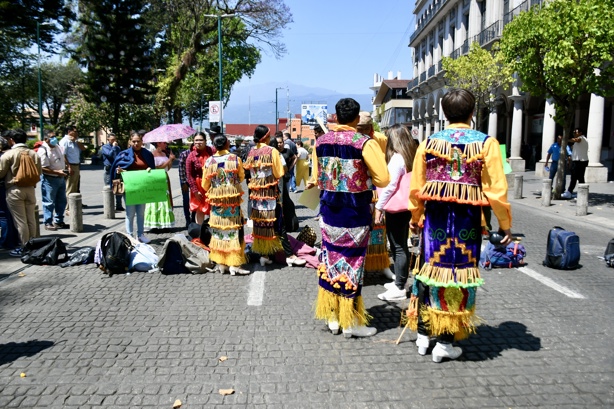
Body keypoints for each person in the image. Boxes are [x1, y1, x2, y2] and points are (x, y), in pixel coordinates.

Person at [408, 89, 512, 362]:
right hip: (467, 223)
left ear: (443, 113)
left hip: (435, 221)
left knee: (428, 271)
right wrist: (504, 224)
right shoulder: (486, 143)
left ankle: (422, 334)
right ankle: (444, 341)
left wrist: (416, 218)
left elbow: (417, 186)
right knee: (457, 275)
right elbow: (496, 189)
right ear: (472, 112)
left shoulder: (429, 142)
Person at [310, 98, 390, 338]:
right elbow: (383, 179)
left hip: (329, 213)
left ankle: (334, 317)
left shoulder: (321, 142)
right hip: (355, 214)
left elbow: (317, 177)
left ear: (336, 115)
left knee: (330, 260)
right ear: (357, 119)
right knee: (353, 264)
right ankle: (351, 321)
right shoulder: (364, 143)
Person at [243, 125, 306, 267]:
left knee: (262, 225)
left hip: (256, 197)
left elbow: (247, 172)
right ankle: (290, 255)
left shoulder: (251, 152)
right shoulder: (272, 151)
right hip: (271, 195)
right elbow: (279, 173)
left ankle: (265, 255)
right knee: (279, 225)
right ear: (266, 137)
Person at [373, 124, 417, 301]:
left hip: (396, 207)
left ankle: (399, 286)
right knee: (401, 245)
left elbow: (390, 185)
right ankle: (401, 280)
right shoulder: (410, 156)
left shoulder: (397, 158)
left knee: (398, 246)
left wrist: (379, 207)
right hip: (406, 205)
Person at [202, 134, 250, 275]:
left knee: (219, 232)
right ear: (228, 144)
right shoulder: (235, 159)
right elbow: (241, 177)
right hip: (232, 204)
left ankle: (222, 263)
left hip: (217, 205)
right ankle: (234, 264)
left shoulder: (209, 161)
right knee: (234, 231)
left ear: (214, 146)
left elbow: (205, 185)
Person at [356, 110, 394, 280]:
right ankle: (360, 264)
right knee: (359, 230)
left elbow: (388, 163)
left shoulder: (380, 139)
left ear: (370, 127)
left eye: (365, 128)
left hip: (377, 189)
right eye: (359, 128)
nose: (362, 132)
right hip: (358, 190)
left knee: (379, 227)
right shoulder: (353, 140)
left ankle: (382, 263)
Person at [0, 129, 43, 257]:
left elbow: (1, 172)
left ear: (12, 140)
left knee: (20, 221)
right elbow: (39, 172)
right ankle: (33, 245)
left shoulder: (9, 154)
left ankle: (25, 247)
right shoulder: (33, 154)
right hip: (30, 189)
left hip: (14, 189)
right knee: (31, 219)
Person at [110, 132, 156, 244]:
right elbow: (116, 168)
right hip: (129, 187)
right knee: (130, 213)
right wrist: (119, 171)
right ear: (130, 141)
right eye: (134, 141)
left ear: (142, 142)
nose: (136, 143)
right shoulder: (123, 154)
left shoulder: (148, 154)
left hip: (142, 187)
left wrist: (150, 169)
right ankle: (129, 236)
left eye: (138, 141)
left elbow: (153, 169)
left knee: (141, 212)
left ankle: (140, 235)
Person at [38, 132, 68, 231]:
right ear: (46, 139)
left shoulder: (57, 146)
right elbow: (42, 168)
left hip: (60, 177)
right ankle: (48, 222)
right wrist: (57, 172)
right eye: (52, 137)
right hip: (49, 179)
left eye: (55, 136)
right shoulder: (43, 150)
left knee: (62, 200)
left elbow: (62, 157)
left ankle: (59, 221)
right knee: (49, 202)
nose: (54, 139)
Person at [144, 142, 176, 230]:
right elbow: (156, 167)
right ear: (158, 143)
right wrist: (169, 160)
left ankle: (164, 223)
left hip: (164, 177)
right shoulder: (152, 154)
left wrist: (171, 160)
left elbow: (167, 168)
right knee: (156, 201)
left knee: (165, 200)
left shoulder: (164, 153)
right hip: (156, 178)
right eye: (164, 143)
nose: (166, 144)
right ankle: (155, 224)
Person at [186, 132, 214, 224]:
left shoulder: (212, 152)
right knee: (200, 209)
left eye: (201, 140)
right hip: (198, 186)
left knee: (214, 208)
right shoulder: (191, 156)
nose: (198, 142)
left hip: (212, 184)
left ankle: (214, 233)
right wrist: (195, 190)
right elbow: (189, 175)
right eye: (196, 140)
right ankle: (200, 234)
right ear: (193, 142)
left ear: (206, 141)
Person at [275, 133, 298, 233]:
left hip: (286, 178)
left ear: (283, 143)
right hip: (277, 180)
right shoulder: (274, 153)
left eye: (281, 142)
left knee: (285, 197)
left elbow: (295, 157)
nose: (279, 144)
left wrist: (290, 167)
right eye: (277, 143)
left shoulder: (287, 151)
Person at [0, 135, 19, 250]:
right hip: (8, 187)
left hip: (2, 188)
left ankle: (6, 241)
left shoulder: (4, 156)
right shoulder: (6, 155)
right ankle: (12, 240)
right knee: (8, 215)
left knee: (3, 216)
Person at [59, 125, 82, 212]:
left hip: (76, 165)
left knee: (75, 187)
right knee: (70, 187)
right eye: (75, 131)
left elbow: (83, 148)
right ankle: (68, 208)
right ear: (69, 132)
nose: (77, 133)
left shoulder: (75, 141)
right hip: (70, 166)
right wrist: (68, 166)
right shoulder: (64, 141)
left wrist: (76, 140)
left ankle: (73, 206)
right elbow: (63, 155)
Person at [562, 128, 589, 199]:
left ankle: (569, 192)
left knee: (574, 177)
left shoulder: (581, 138)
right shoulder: (581, 140)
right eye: (574, 132)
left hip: (579, 161)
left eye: (576, 132)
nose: (574, 134)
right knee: (580, 177)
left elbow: (576, 140)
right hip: (579, 161)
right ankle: (582, 193)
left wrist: (565, 139)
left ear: (580, 133)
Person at [101, 133, 124, 211]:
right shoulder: (104, 147)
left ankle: (119, 205)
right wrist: (114, 147)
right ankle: (110, 206)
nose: (114, 141)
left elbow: (120, 156)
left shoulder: (118, 147)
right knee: (109, 187)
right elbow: (109, 155)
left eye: (115, 139)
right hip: (109, 169)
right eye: (112, 139)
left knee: (118, 186)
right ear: (108, 139)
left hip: (116, 168)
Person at [178, 142, 195, 228]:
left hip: (194, 180)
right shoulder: (184, 154)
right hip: (184, 179)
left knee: (195, 199)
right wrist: (184, 182)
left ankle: (194, 219)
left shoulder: (198, 154)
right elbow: (181, 169)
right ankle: (187, 219)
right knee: (186, 199)